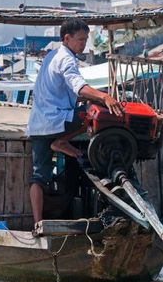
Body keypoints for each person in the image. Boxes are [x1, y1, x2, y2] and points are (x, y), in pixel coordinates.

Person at [27, 17, 123, 225]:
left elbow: (63, 92)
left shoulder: (52, 55)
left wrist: (89, 96)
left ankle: (38, 223)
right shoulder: (67, 59)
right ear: (67, 38)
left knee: (38, 177)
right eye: (81, 40)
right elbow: (79, 86)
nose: (84, 44)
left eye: (86, 39)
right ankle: (61, 142)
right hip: (56, 120)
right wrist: (104, 97)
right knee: (91, 113)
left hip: (38, 124)